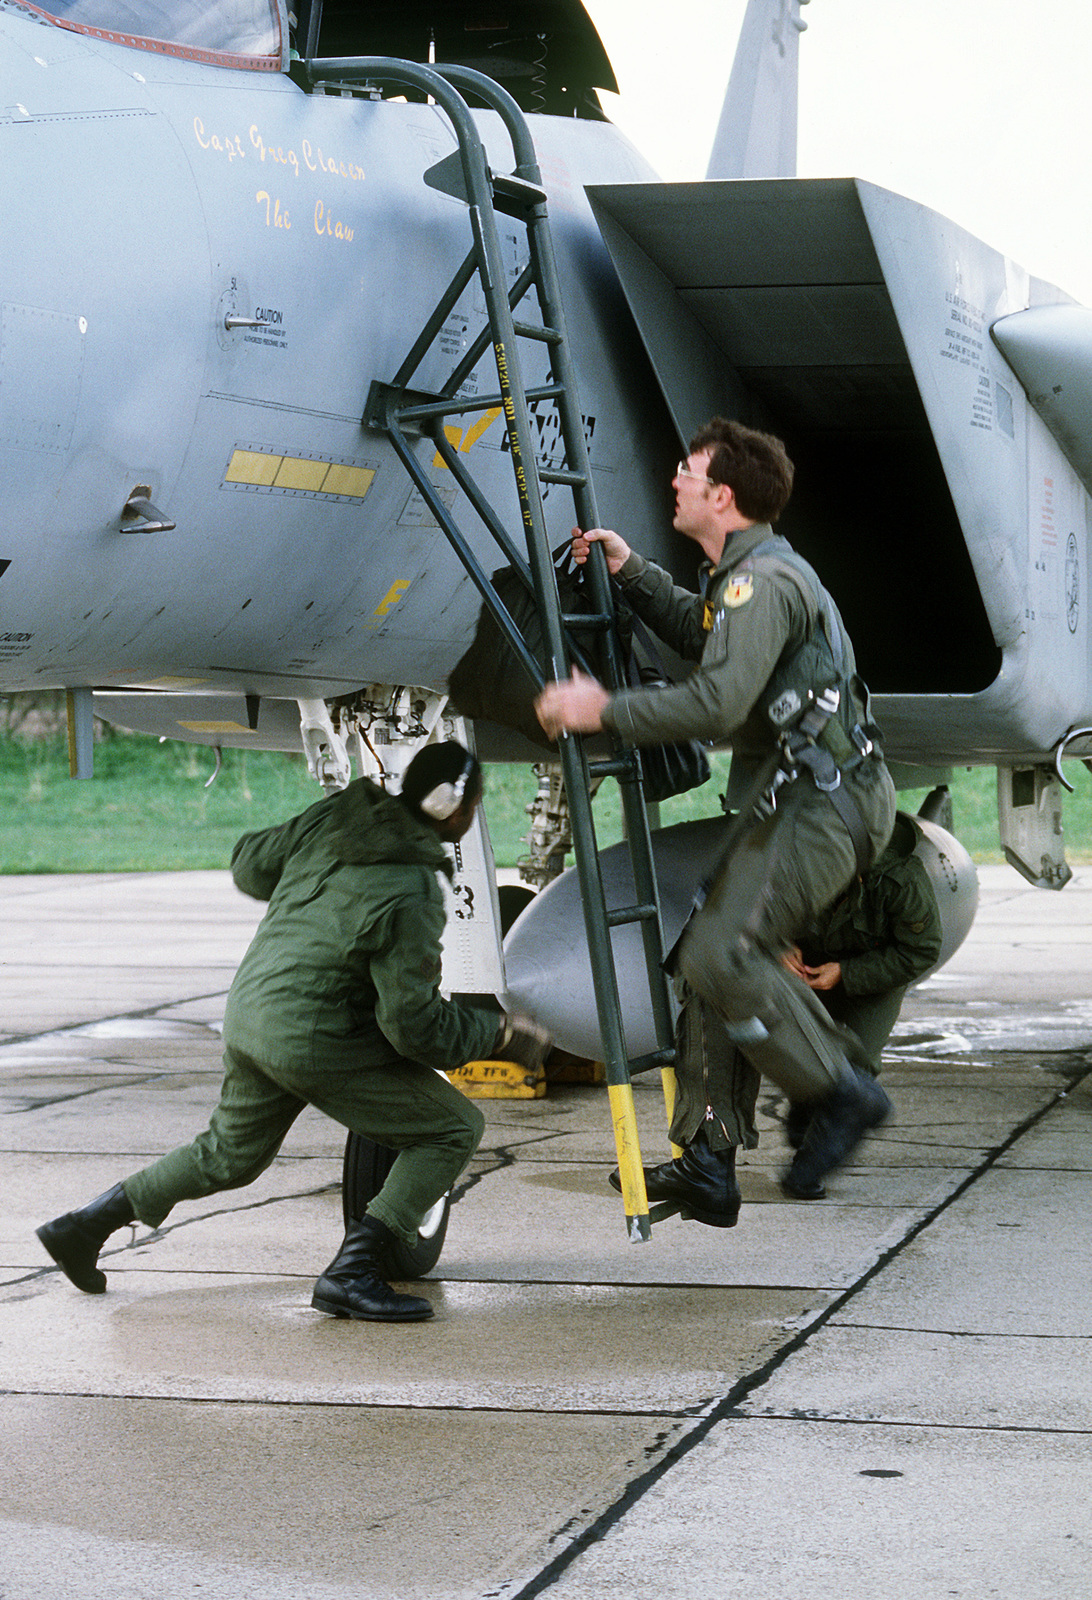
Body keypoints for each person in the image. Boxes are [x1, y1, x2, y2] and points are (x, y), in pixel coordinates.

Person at [36, 742, 550, 1322]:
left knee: (228, 1155)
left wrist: (311, 864)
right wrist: (499, 1035)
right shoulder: (412, 890)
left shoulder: (337, 816)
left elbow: (250, 863)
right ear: (457, 809)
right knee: (453, 1128)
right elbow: (414, 1028)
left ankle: (83, 1228)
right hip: (311, 1035)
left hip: (251, 1013)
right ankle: (352, 1271)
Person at [535, 417, 897, 1222]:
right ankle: (708, 1155)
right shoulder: (747, 578)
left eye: (687, 473)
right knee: (707, 957)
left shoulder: (761, 583)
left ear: (722, 495)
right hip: (798, 800)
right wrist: (632, 575)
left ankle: (840, 1091)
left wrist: (603, 708)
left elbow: (719, 699)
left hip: (823, 804)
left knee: (728, 951)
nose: (675, 481)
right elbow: (711, 643)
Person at [779, 809, 943, 1192]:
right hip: (809, 962)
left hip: (873, 973)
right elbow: (760, 909)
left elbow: (919, 951)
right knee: (801, 1054)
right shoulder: (794, 863)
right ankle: (807, 1120)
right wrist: (779, 944)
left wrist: (847, 973)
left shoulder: (899, 880)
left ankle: (808, 1171)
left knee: (854, 1067)